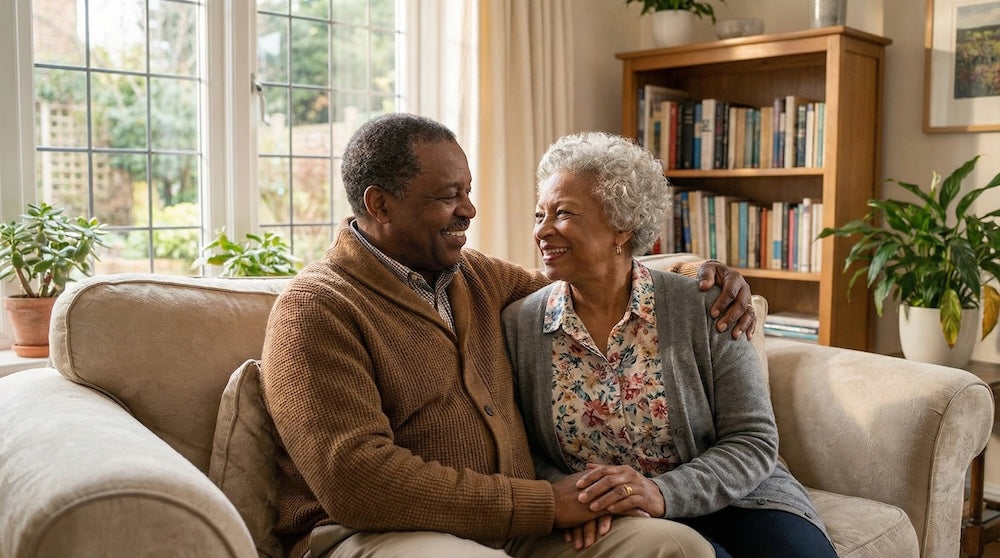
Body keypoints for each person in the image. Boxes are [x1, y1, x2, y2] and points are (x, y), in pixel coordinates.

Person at [259, 113, 756, 558]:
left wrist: (698, 275)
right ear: (380, 204)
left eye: (468, 191)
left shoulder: (477, 277)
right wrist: (543, 503)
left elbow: (593, 278)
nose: (470, 210)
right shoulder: (316, 310)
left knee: (675, 546)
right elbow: (358, 482)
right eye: (449, 195)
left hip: (516, 528)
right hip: (374, 533)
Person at [501, 131, 836, 558]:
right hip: (624, 521)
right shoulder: (520, 325)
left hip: (740, 498)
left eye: (562, 213)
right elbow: (522, 447)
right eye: (538, 215)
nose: (542, 231)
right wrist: (581, 498)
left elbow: (752, 438)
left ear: (621, 225)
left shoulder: (706, 306)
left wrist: (660, 492)